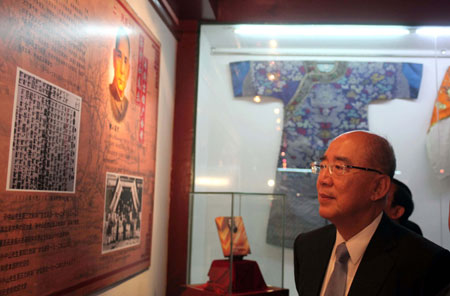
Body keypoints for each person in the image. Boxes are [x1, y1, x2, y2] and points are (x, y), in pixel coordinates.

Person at [294, 130, 450, 296]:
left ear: (379, 187)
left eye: (339, 168)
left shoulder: (424, 262)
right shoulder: (307, 247)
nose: (324, 180)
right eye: (323, 166)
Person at [109, 27, 130, 122]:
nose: (122, 69)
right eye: (119, 57)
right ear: (113, 58)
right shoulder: (107, 95)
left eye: (125, 61)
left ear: (128, 70)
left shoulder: (126, 104)